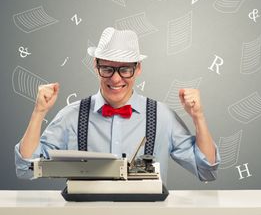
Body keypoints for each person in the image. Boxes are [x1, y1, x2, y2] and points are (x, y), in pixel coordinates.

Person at [15, 28, 220, 183]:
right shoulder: (71, 116)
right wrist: (38, 112)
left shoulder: (162, 116)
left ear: (138, 69)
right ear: (96, 66)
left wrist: (198, 117)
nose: (115, 79)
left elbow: (206, 169)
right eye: (107, 68)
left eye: (124, 69)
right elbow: (27, 168)